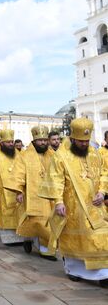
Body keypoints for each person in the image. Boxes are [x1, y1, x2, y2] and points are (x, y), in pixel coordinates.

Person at [41, 118, 108, 286]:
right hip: (72, 207)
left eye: (86, 141)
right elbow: (56, 180)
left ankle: (103, 273)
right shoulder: (61, 156)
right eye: (81, 141)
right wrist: (58, 202)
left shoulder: (95, 153)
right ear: (72, 138)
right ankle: (74, 270)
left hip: (95, 205)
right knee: (75, 240)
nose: (84, 144)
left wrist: (102, 192)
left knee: (101, 236)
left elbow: (104, 174)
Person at [7, 125, 56, 259]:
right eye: (40, 140)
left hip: (50, 195)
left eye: (45, 140)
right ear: (34, 141)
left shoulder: (52, 154)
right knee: (37, 220)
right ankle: (37, 245)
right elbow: (18, 174)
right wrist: (18, 192)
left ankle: (44, 246)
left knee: (48, 220)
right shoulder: (24, 155)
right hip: (31, 194)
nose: (43, 143)